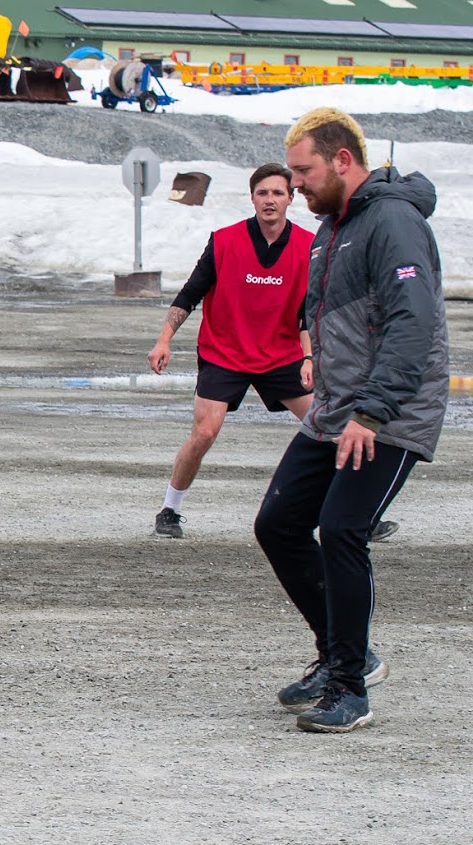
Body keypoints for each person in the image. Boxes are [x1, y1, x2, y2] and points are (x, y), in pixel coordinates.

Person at [258, 107, 448, 733]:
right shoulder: (337, 221)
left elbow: (411, 322)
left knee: (341, 529)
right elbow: (330, 310)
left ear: (343, 160)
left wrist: (371, 410)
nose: (297, 185)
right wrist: (316, 358)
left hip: (389, 412)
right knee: (280, 523)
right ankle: (350, 654)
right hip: (340, 406)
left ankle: (349, 688)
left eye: (304, 171)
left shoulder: (392, 220)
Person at [147, 163, 313, 539]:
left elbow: (309, 311)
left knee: (328, 427)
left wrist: (309, 357)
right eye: (262, 193)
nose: (269, 200)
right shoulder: (224, 241)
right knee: (205, 433)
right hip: (225, 353)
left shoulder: (308, 246)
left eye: (277, 193)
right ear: (252, 197)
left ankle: (355, 512)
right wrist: (164, 340)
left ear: (291, 197)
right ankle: (170, 510)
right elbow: (189, 294)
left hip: (281, 356)